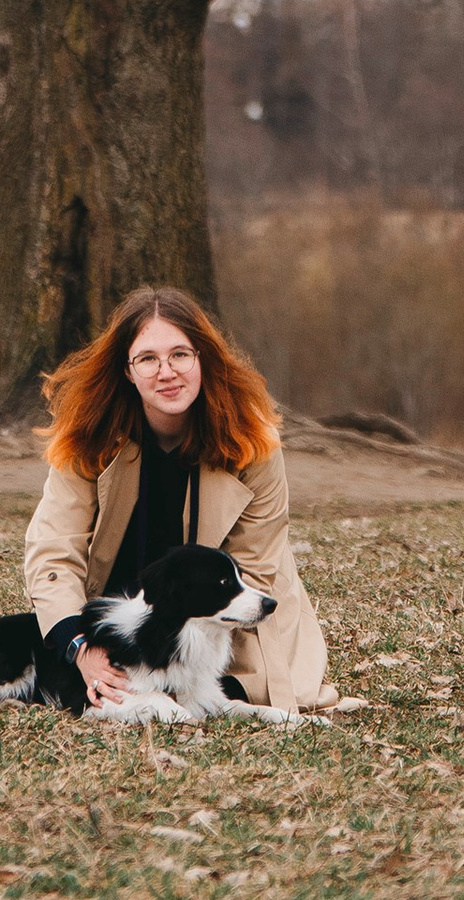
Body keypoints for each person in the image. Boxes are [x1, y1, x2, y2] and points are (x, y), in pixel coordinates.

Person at [24, 283, 333, 713]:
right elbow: (53, 553)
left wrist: (188, 663)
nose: (166, 372)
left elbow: (257, 563)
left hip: (226, 626)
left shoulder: (253, 441)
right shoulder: (86, 439)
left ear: (203, 359)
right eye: (148, 359)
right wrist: (82, 649)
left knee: (242, 698)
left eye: (180, 355)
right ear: (128, 371)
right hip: (123, 625)